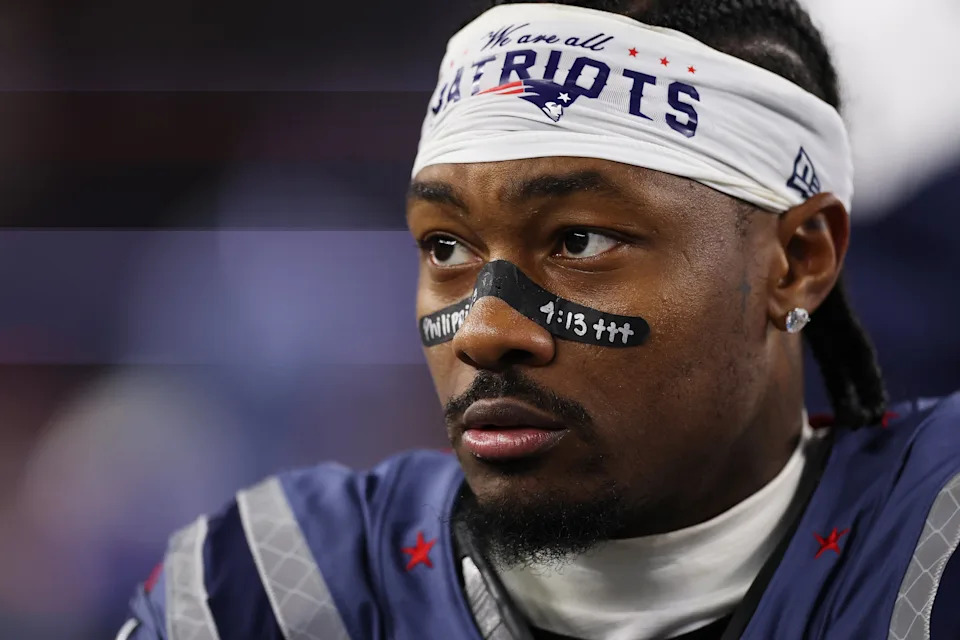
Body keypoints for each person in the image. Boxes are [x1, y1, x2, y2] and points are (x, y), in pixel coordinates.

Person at [118, 1, 960, 638]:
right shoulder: (271, 588)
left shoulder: (936, 540)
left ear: (799, 261)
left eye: (580, 240)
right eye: (446, 246)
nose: (485, 331)